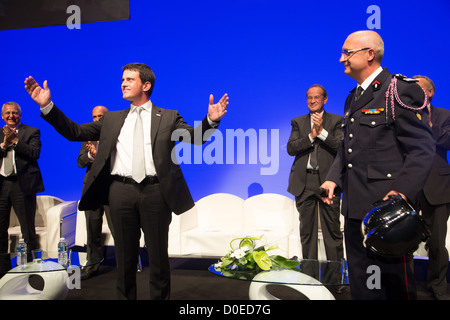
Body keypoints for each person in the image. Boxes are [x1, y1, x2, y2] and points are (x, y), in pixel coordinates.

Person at [24, 62, 228, 300]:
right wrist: (47, 106)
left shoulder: (169, 117)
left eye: (130, 79)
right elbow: (75, 132)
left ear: (146, 85)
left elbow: (196, 138)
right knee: (125, 261)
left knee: (159, 259)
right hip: (120, 193)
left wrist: (211, 121)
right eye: (122, 79)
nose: (123, 83)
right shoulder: (111, 119)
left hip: (155, 193)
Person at [320, 30, 435, 300]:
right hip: (355, 211)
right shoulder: (353, 97)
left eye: (347, 52)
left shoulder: (399, 90)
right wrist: (333, 178)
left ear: (370, 54)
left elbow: (422, 148)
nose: (341, 59)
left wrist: (402, 193)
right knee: (364, 288)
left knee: (393, 290)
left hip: (387, 215)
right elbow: (349, 148)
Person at [287, 84, 343, 261]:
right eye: (309, 97)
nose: (312, 101)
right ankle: (309, 277)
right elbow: (291, 148)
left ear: (324, 100)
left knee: (332, 232)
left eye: (316, 97)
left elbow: (341, 147)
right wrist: (311, 136)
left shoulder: (337, 121)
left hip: (328, 182)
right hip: (304, 183)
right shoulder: (298, 122)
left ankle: (335, 280)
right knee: (307, 233)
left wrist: (322, 133)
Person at [413, 75, 450, 300]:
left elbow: (447, 142)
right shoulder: (402, 117)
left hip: (438, 186)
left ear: (430, 93)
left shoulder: (444, 115)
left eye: (418, 89)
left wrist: (429, 125)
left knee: (436, 243)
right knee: (403, 241)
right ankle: (405, 285)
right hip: (410, 187)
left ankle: (437, 286)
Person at [0, 102, 44, 276]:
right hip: (2, 185)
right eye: (8, 113)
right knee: (0, 228)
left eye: (15, 113)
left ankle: (28, 270)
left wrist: (15, 141)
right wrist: (4, 144)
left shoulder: (31, 132)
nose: (11, 116)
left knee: (27, 230)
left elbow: (34, 153)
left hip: (22, 185)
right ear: (3, 116)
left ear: (20, 115)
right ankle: (3, 271)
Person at [77, 105, 114, 280]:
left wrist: (100, 154)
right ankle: (92, 265)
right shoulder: (88, 137)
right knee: (92, 230)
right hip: (92, 189)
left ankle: (125, 264)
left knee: (118, 229)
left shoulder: (115, 135)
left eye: (101, 116)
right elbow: (80, 161)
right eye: (95, 116)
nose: (97, 120)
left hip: (111, 188)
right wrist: (91, 156)